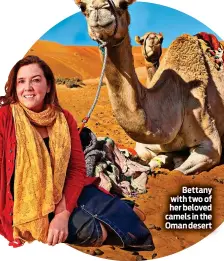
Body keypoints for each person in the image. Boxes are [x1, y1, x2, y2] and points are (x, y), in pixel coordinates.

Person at [0, 55, 154, 250]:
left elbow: (76, 169)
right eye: (21, 81)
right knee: (99, 231)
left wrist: (62, 213)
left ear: (48, 86)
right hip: (23, 205)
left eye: (36, 80)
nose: (27, 87)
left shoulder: (63, 119)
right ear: (14, 87)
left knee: (135, 216)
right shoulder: (5, 118)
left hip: (63, 192)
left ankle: (119, 209)